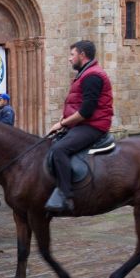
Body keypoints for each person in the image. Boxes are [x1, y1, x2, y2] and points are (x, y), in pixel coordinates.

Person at [45, 40, 114, 213]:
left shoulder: (92, 76)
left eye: (72, 54)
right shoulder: (85, 73)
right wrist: (63, 120)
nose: (69, 59)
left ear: (82, 55)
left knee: (59, 149)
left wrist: (61, 124)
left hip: (94, 125)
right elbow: (77, 105)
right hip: (84, 123)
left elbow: (86, 112)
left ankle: (66, 196)